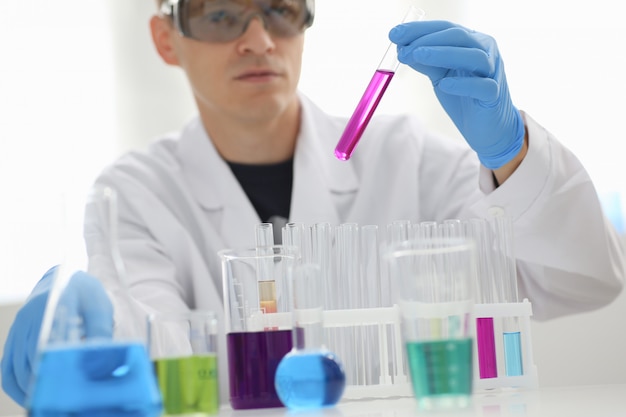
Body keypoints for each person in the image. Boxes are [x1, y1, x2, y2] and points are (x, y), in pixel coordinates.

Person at [2, 0, 624, 408]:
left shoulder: (408, 157)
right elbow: (147, 352)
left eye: (279, 10)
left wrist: (511, 153)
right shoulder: (136, 191)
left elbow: (583, 280)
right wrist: (78, 322)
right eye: (221, 14)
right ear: (167, 39)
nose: (257, 39)